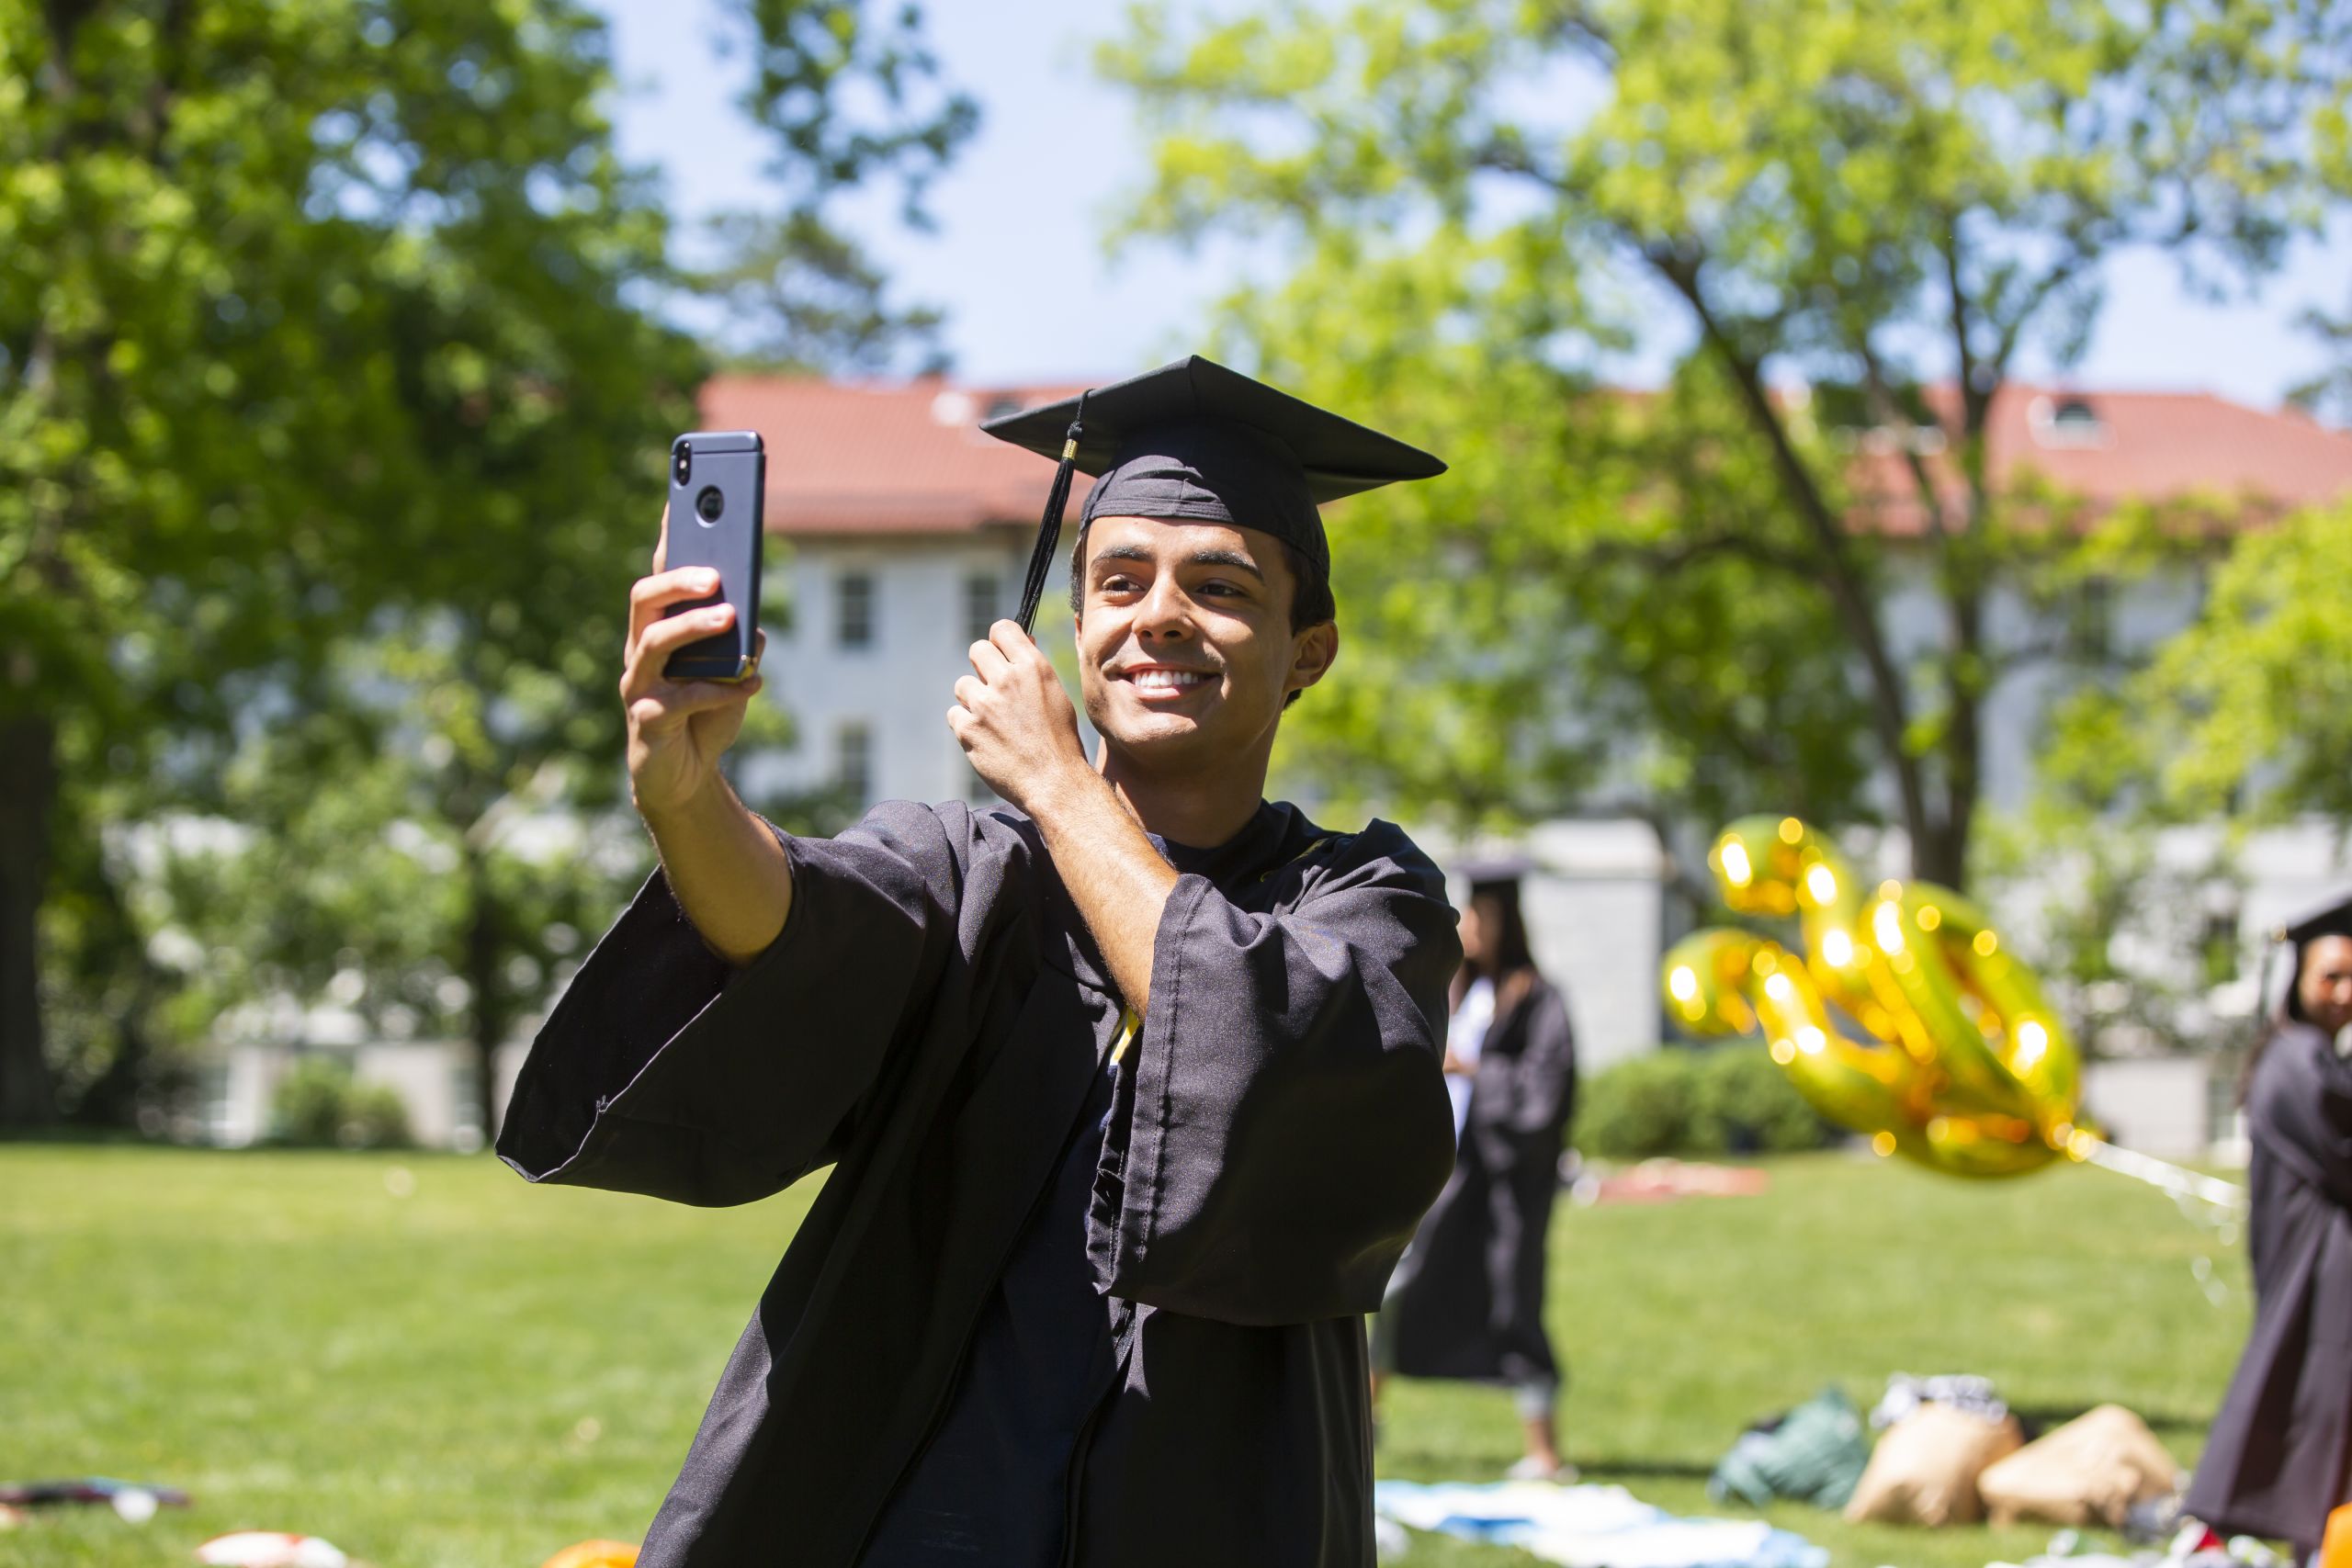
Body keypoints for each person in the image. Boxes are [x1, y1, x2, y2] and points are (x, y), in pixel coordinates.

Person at [495, 355, 1462, 1567]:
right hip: (931, 1501)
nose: (1159, 613)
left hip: (1212, 1505)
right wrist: (688, 798)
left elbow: (1270, 1057)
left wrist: (1059, 782)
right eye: (1120, 580)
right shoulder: (973, 865)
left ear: (1307, 650)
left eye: (1220, 586)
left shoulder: (1368, 900)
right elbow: (800, 928)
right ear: (1076, 628)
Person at [1374, 863, 1580, 1482]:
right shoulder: (1458, 991)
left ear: (1505, 921)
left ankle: (1544, 1452)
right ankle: (1362, 1416)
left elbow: (1547, 1093)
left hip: (1506, 1188)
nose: (1469, 926)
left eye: (1481, 915)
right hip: (1449, 1175)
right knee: (1394, 1288)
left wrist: (1472, 1072)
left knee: (1515, 1300)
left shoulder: (1536, 996)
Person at [2186, 892, 2352, 1562]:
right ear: (2299, 978)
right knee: (2312, 1391)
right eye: (2331, 975)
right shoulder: (2297, 1061)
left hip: (2321, 1251)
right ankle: (2249, 1527)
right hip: (2314, 1255)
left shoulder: (2311, 1054)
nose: (2344, 991)